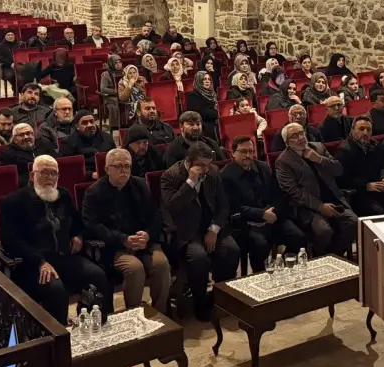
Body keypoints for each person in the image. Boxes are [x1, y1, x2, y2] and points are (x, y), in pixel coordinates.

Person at [0, 155, 110, 324]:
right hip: (33, 263)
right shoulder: (13, 202)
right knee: (56, 289)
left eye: (53, 174)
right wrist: (40, 261)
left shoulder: (63, 195)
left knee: (98, 275)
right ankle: (59, 334)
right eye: (44, 173)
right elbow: (10, 241)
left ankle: (97, 324)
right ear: (32, 176)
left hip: (65, 256)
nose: (49, 178)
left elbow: (78, 223)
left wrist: (78, 236)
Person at [81, 148, 171, 312]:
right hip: (116, 246)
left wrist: (148, 234)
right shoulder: (94, 192)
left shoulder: (140, 185)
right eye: (118, 166)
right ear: (107, 169)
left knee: (161, 264)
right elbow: (91, 225)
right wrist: (123, 239)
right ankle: (134, 313)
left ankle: (160, 313)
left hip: (145, 243)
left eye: (127, 166)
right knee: (135, 269)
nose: (124, 170)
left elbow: (156, 215)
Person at [160, 142, 239, 320]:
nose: (205, 169)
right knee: (198, 258)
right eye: (201, 165)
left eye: (208, 164)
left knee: (231, 250)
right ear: (189, 162)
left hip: (209, 225)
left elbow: (223, 205)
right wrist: (190, 183)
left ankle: (219, 297)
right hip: (186, 230)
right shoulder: (170, 176)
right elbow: (172, 207)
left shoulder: (213, 172)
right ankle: (200, 303)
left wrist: (214, 229)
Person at [221, 134, 306, 273]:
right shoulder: (226, 175)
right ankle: (260, 275)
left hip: (272, 216)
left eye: (251, 151)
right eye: (243, 151)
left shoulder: (263, 167)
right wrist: (261, 214)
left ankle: (281, 269)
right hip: (248, 223)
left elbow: (277, 194)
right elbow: (234, 207)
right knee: (260, 245)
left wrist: (273, 212)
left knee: (298, 236)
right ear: (233, 153)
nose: (247, 155)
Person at [275, 123, 356, 257]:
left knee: (354, 223)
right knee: (323, 231)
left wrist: (319, 159)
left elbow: (338, 170)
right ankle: (326, 257)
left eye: (301, 133)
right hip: (309, 207)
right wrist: (320, 207)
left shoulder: (318, 147)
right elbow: (294, 192)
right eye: (294, 136)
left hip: (334, 199)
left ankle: (332, 256)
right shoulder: (283, 161)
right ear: (287, 142)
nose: (300, 137)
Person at [335, 116, 384, 217]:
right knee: (379, 213)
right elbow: (341, 179)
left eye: (368, 129)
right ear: (353, 130)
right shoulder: (344, 151)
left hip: (379, 191)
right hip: (358, 194)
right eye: (361, 129)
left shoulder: (375, 146)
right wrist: (366, 186)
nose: (365, 132)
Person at [58, 110, 115, 179]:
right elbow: (67, 168)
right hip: (84, 179)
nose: (89, 125)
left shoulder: (107, 137)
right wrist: (90, 174)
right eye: (84, 123)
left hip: (109, 175)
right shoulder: (68, 142)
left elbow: (115, 158)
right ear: (77, 126)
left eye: (91, 121)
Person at [184, 71, 220, 141]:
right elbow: (200, 113)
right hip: (203, 123)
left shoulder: (213, 94)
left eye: (209, 79)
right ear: (199, 81)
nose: (207, 81)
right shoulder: (193, 96)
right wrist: (218, 113)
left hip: (215, 119)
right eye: (204, 79)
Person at [97, 53, 123, 128]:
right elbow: (103, 89)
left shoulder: (124, 72)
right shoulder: (106, 74)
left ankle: (127, 123)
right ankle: (116, 126)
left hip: (122, 95)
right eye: (116, 63)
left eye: (120, 62)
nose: (118, 65)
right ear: (111, 64)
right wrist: (115, 91)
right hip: (109, 97)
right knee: (115, 103)